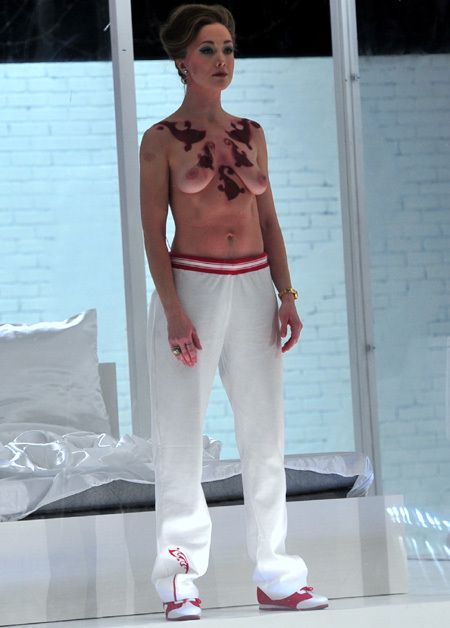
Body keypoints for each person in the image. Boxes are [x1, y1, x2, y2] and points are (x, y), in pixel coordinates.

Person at [140, 3, 329, 621]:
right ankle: (178, 581)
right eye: (208, 49)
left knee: (265, 436)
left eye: (227, 48)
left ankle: (276, 574)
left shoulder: (252, 133)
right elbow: (152, 233)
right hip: (192, 287)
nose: (222, 60)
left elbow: (268, 220)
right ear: (182, 61)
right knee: (180, 439)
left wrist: (287, 296)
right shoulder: (160, 140)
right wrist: (173, 310)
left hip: (253, 288)